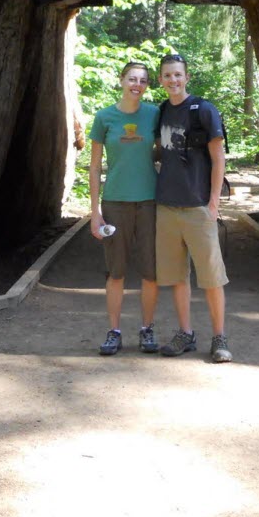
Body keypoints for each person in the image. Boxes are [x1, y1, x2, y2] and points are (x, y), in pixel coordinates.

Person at [154, 52, 233, 363]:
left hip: (199, 207)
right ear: (161, 80)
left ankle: (219, 337)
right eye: (167, 75)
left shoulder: (204, 110)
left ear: (187, 77)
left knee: (212, 277)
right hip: (167, 207)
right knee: (177, 276)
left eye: (178, 75)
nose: (173, 80)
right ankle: (185, 333)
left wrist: (213, 203)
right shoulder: (161, 112)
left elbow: (218, 158)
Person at [88, 62, 162, 355]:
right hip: (115, 203)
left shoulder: (154, 114)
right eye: (132, 79)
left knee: (150, 272)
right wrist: (95, 212)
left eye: (143, 80)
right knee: (116, 271)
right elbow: (94, 168)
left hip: (149, 202)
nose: (137, 84)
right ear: (122, 80)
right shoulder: (104, 117)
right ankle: (114, 331)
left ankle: (147, 329)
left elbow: (167, 151)